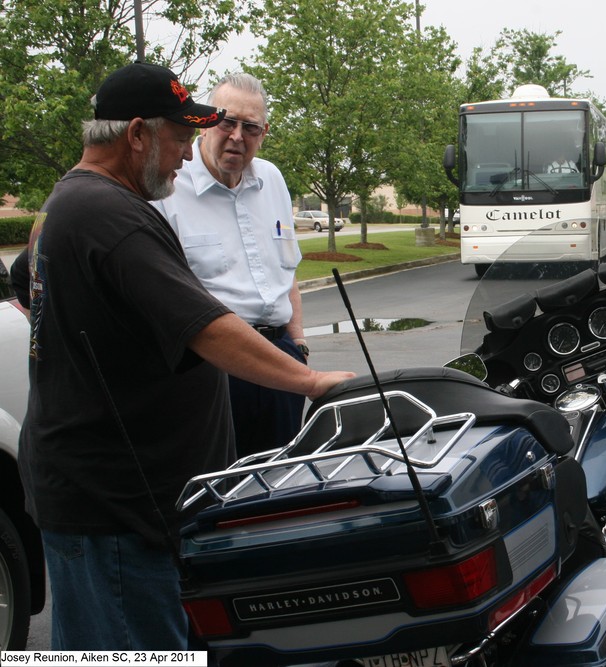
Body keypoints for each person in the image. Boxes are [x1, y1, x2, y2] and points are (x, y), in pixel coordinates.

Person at [10, 61, 355, 651]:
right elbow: (208, 327)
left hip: (110, 496)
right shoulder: (110, 216)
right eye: (176, 138)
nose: (181, 155)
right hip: (115, 507)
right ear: (138, 134)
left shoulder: (74, 201)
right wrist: (313, 380)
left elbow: (29, 283)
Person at [155, 72, 307, 458]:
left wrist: (299, 341)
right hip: (213, 369)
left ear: (264, 132)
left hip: (280, 359)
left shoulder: (271, 179)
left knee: (283, 483)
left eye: (250, 126)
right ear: (206, 123)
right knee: (221, 487)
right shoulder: (169, 187)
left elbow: (286, 269)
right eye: (227, 122)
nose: (238, 136)